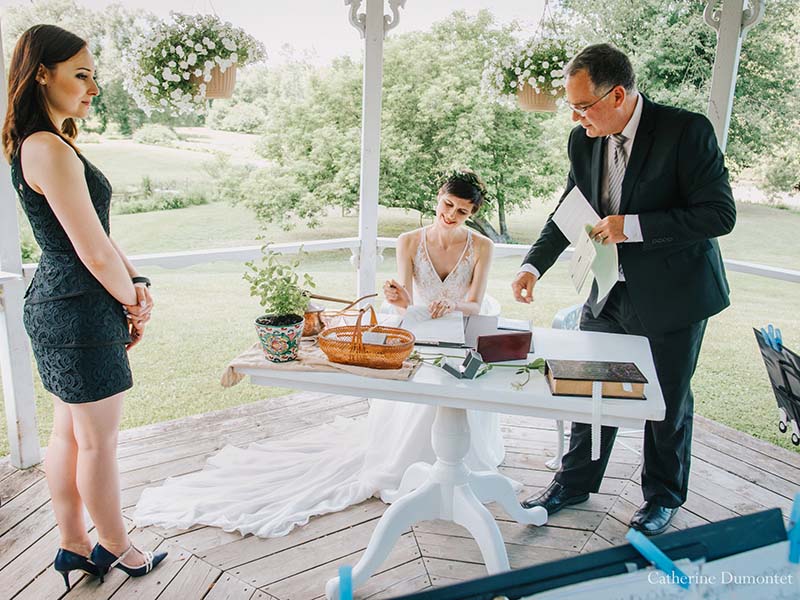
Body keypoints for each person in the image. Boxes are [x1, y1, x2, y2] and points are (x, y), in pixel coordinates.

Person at [133, 170, 503, 537]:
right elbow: (404, 303)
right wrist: (398, 298)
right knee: (415, 397)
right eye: (447, 205)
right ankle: (412, 467)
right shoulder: (408, 241)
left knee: (454, 393)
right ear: (438, 197)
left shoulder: (481, 246)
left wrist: (450, 305)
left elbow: (474, 303)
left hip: (459, 329)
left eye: (461, 212)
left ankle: (453, 467)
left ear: (471, 215)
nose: (450, 215)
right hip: (417, 329)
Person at [511, 43, 735, 536]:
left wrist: (629, 227)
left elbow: (719, 215)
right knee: (591, 387)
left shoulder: (686, 131)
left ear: (617, 95)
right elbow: (569, 210)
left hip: (675, 295)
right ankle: (574, 481)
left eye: (583, 106)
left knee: (667, 400)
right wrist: (533, 266)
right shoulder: (582, 140)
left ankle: (663, 496)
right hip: (606, 290)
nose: (575, 116)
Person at [2, 25, 166, 589]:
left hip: (63, 306)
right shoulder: (46, 146)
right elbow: (93, 252)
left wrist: (135, 282)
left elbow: (97, 237)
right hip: (76, 310)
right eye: (82, 74)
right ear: (41, 74)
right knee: (97, 440)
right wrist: (133, 302)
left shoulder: (47, 141)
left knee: (68, 434)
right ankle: (115, 546)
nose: (93, 86)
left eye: (93, 74)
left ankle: (73, 543)